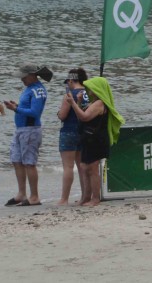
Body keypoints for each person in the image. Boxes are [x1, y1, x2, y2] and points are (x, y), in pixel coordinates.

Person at [68, 77, 124, 207]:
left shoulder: (99, 103)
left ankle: (95, 198)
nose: (88, 90)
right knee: (84, 167)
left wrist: (72, 103)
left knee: (92, 169)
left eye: (90, 88)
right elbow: (81, 117)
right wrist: (79, 102)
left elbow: (85, 116)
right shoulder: (93, 103)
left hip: (96, 139)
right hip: (88, 138)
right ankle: (85, 197)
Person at [4, 64, 51, 206]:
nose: (22, 80)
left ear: (32, 75)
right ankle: (21, 193)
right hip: (21, 129)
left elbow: (35, 112)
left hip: (30, 130)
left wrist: (16, 108)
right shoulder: (29, 89)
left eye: (23, 77)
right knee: (16, 159)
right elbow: (27, 108)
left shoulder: (38, 90)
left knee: (29, 163)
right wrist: (17, 106)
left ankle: (34, 196)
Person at [56, 68, 90, 206]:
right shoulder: (88, 93)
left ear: (71, 80)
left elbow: (63, 115)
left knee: (68, 167)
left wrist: (58, 113)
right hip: (83, 132)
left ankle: (64, 199)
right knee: (82, 166)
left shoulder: (70, 95)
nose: (67, 85)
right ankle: (84, 196)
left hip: (69, 131)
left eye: (68, 82)